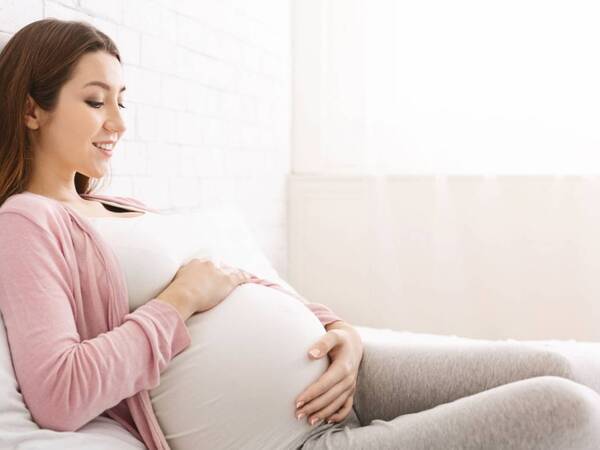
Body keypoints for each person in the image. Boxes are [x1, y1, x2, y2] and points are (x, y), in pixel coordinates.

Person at [0, 18, 599, 450]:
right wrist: (179, 301)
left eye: (122, 101)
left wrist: (338, 330)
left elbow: (237, 280)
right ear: (32, 110)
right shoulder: (27, 221)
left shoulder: (115, 205)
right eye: (96, 101)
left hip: (345, 374)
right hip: (293, 435)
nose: (119, 124)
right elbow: (60, 393)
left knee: (556, 366)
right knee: (565, 409)